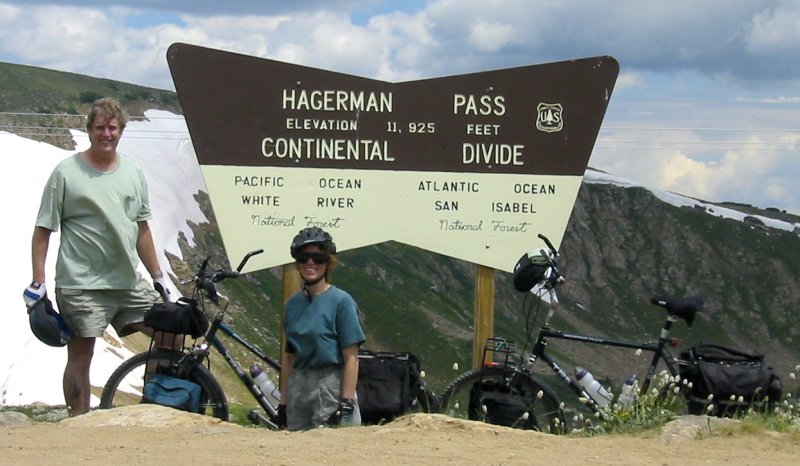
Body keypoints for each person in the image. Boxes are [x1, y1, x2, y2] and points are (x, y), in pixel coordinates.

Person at [22, 97, 170, 416]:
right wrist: (38, 282)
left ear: (121, 131)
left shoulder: (133, 171)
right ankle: (79, 422)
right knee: (81, 353)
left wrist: (158, 278)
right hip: (81, 284)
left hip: (127, 281)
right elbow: (43, 229)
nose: (107, 133)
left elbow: (142, 228)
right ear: (89, 130)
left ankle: (157, 405)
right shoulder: (66, 173)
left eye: (112, 128)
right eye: (100, 127)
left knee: (168, 334)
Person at [278, 227, 365, 431]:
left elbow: (351, 358)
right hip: (298, 388)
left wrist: (347, 403)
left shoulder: (342, 302)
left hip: (330, 386)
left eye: (318, 257)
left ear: (328, 262)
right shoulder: (292, 305)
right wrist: (283, 403)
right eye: (303, 257)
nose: (310, 263)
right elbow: (289, 358)